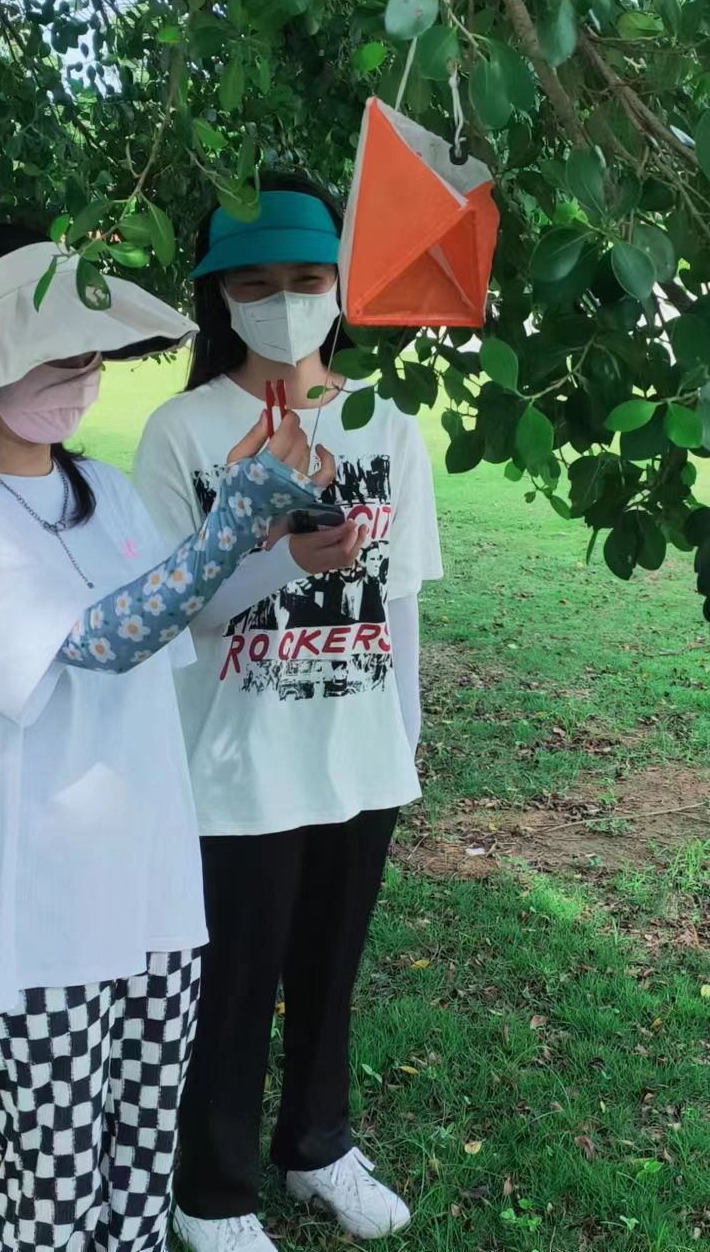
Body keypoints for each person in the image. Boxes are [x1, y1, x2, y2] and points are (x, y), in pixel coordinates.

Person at [0, 222, 345, 1252]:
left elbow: (172, 611)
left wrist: (279, 551)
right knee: (51, 1194)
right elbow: (97, 639)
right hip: (36, 913)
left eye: (88, 347)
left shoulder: (105, 493)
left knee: (140, 1174)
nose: (81, 370)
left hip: (154, 896)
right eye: (53, 350)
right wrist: (229, 526)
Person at [134, 176, 444, 1252]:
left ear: (340, 288)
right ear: (219, 295)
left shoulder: (387, 422)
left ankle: (318, 1145)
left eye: (307, 279)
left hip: (357, 749)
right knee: (233, 983)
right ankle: (210, 1192)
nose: (283, 303)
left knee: (328, 970)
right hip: (234, 761)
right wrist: (274, 556)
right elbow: (168, 612)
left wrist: (402, 729)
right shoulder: (182, 431)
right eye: (255, 284)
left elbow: (400, 595)